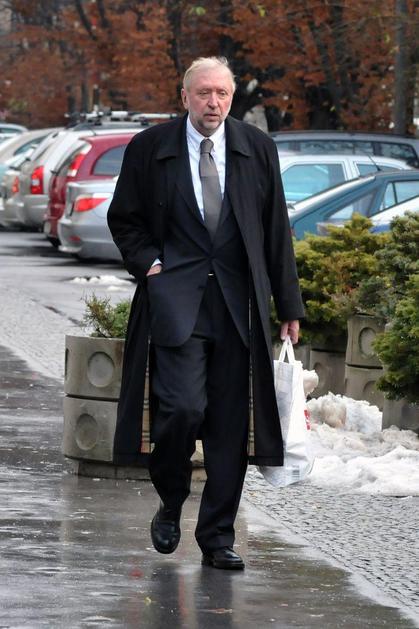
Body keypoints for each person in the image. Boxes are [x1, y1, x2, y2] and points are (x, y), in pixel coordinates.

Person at [107, 56, 304, 570]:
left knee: (229, 428)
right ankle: (171, 499)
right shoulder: (151, 148)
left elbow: (275, 229)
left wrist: (289, 304)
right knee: (181, 409)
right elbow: (123, 219)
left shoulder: (256, 148)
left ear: (231, 98)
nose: (213, 103)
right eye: (204, 93)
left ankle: (217, 538)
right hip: (177, 303)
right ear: (185, 97)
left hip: (239, 306)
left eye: (222, 93)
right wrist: (149, 264)